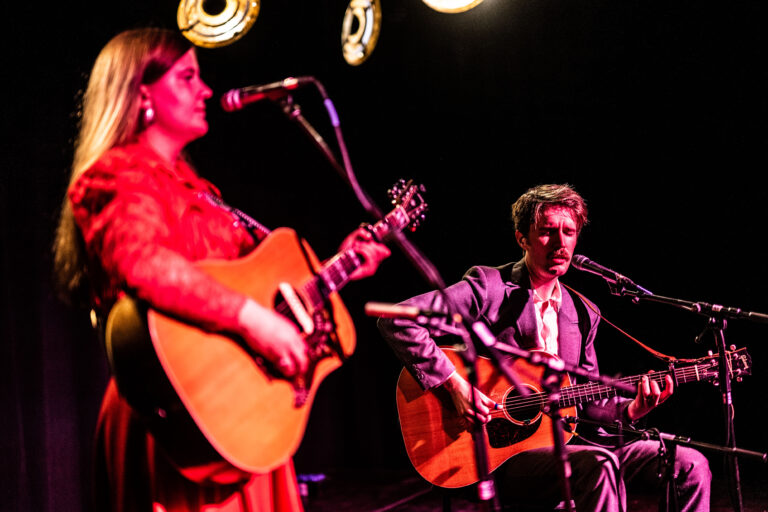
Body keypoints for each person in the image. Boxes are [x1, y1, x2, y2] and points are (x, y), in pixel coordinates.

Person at [52, 27, 390, 512]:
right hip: (173, 413)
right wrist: (255, 322)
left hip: (234, 415)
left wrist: (343, 264)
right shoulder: (116, 174)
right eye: (187, 77)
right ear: (140, 92)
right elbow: (142, 263)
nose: (206, 90)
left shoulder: (201, 192)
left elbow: (259, 286)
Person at [377, 184, 711, 511]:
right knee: (600, 463)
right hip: (499, 454)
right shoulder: (490, 286)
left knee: (690, 463)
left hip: (572, 448)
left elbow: (587, 403)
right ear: (522, 237)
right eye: (548, 231)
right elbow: (398, 319)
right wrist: (456, 385)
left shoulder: (583, 312)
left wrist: (632, 409)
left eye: (569, 232)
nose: (560, 243)